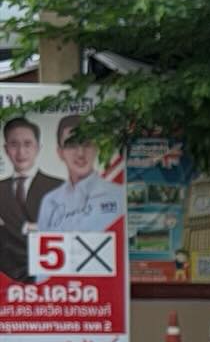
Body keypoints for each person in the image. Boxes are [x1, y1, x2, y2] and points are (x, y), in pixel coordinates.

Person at [32, 116, 126, 235]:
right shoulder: (50, 202)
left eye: (87, 144)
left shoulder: (119, 195)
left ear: (96, 148)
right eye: (71, 145)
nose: (80, 153)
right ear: (60, 152)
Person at [0, 115, 63, 280]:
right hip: (6, 277)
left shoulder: (59, 187)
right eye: (14, 144)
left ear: (38, 147)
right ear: (6, 149)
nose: (21, 152)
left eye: (28, 144)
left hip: (49, 274)